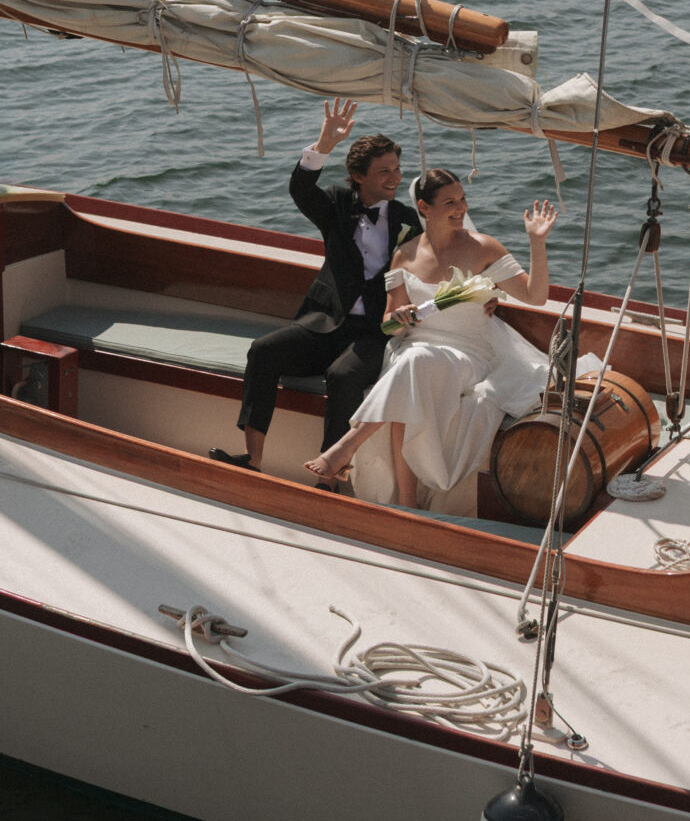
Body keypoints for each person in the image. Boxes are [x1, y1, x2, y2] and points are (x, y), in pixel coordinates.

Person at [305, 170, 558, 512]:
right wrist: (398, 318)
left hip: (469, 354)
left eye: (462, 199)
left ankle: (347, 445)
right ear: (424, 207)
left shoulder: (483, 247)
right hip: (414, 347)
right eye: (450, 202)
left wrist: (537, 242)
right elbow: (389, 326)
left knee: (415, 364)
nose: (460, 207)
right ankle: (408, 504)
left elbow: (536, 295)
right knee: (414, 365)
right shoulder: (405, 255)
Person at [219, 100, 422, 479]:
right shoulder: (335, 204)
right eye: (384, 172)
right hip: (326, 320)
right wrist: (324, 143)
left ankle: (328, 479)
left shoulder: (408, 219)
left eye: (396, 169)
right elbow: (300, 187)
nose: (394, 178)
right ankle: (253, 460)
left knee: (343, 376)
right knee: (263, 351)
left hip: (374, 332)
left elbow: (431, 262)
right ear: (359, 176)